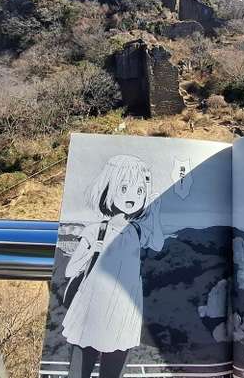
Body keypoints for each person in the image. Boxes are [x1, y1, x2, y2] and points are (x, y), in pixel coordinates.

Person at [62, 155, 165, 378]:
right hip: (99, 304)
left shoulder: (137, 231)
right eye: (124, 188)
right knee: (86, 362)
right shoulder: (96, 230)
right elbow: (72, 269)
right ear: (108, 189)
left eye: (140, 191)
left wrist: (155, 213)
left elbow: (158, 244)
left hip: (120, 306)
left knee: (106, 362)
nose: (132, 197)